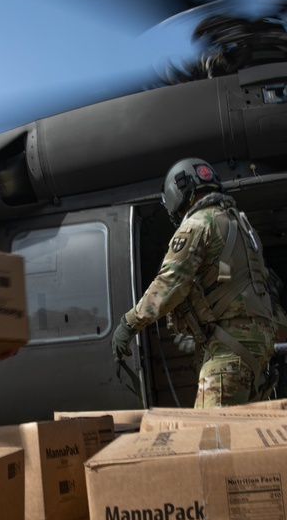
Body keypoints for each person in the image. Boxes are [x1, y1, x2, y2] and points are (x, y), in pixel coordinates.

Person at [111, 157, 276, 407]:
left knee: (212, 437)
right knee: (246, 433)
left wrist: (129, 323)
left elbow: (170, 284)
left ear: (178, 194)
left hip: (230, 348)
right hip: (257, 340)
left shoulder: (198, 224)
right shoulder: (240, 223)